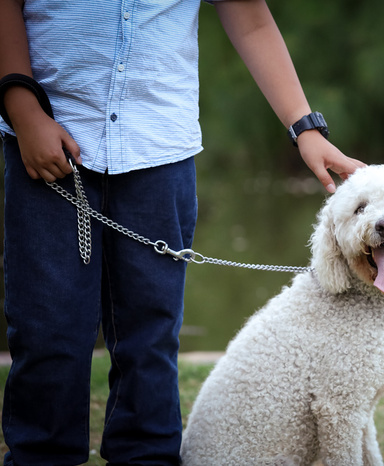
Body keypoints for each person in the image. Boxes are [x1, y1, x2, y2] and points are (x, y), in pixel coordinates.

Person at [0, 0, 364, 464]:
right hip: (45, 144)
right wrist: (21, 106)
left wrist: (305, 128)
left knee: (151, 339)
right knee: (47, 338)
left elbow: (249, 17)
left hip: (159, 150)